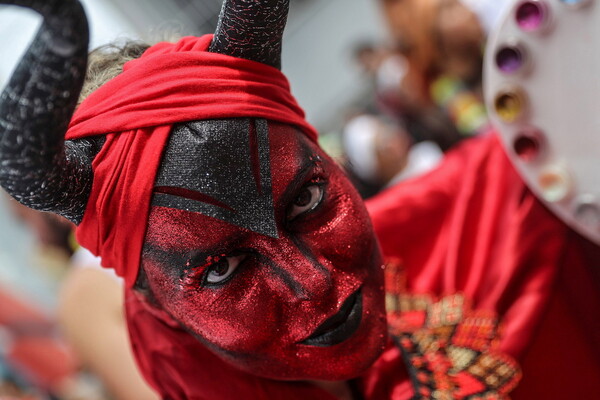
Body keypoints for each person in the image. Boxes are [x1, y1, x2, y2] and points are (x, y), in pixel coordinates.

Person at [0, 1, 598, 400]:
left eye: (309, 200)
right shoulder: (109, 315)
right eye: (223, 269)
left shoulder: (487, 229)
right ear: (154, 301)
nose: (311, 285)